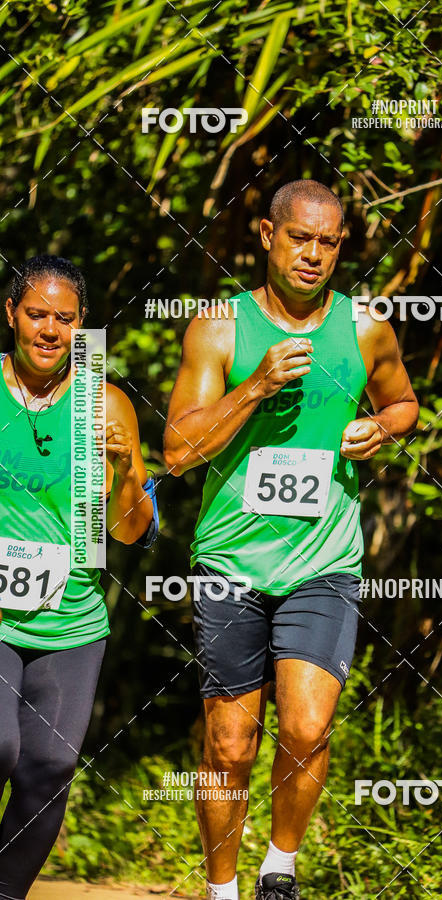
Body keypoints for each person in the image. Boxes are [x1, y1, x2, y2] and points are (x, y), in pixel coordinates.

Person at [164, 179, 419, 900]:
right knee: (228, 744)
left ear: (342, 248)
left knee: (306, 728)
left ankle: (279, 866)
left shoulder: (365, 326)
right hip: (230, 562)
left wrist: (383, 426)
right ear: (268, 236)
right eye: (300, 238)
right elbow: (178, 451)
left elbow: (404, 401)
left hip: (324, 561)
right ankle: (220, 888)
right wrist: (253, 388)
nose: (313, 254)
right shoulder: (219, 327)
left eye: (329, 242)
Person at [0, 255, 158, 899]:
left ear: (82, 324)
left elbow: (128, 532)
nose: (49, 329)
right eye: (36, 313)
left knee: (50, 765)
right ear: (10, 314)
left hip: (73, 620)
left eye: (64, 318)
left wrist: (124, 473)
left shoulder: (108, 403)